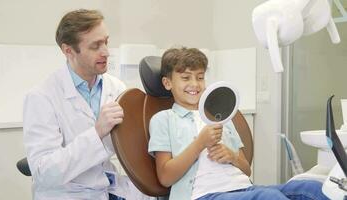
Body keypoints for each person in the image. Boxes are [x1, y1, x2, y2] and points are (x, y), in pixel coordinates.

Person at [148, 47, 329, 200]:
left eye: (200, 77)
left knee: (312, 188)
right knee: (269, 198)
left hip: (244, 188)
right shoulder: (164, 119)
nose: (195, 84)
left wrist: (232, 156)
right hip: (205, 194)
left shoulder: (220, 117)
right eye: (186, 78)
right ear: (167, 83)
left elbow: (246, 170)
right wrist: (199, 143)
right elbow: (165, 177)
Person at [23, 9, 148, 200]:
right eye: (95, 46)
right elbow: (44, 172)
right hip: (67, 194)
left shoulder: (116, 88)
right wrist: (97, 132)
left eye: (106, 42)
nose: (106, 52)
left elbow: (131, 149)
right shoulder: (41, 97)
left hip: (108, 189)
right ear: (69, 51)